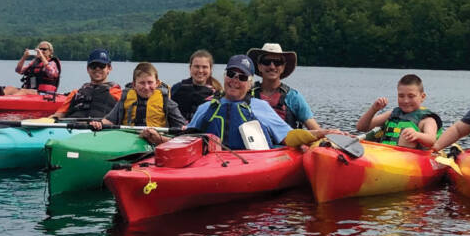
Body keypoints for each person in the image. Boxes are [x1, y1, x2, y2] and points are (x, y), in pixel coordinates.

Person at [144, 55, 338, 149]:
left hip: (250, 163)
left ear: (250, 82)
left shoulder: (260, 107)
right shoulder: (207, 107)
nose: (235, 80)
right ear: (224, 75)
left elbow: (289, 138)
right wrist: (157, 139)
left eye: (242, 77)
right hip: (211, 164)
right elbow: (184, 141)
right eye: (231, 74)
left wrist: (321, 133)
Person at [89, 62, 186, 144]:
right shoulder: (126, 99)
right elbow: (110, 120)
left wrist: (160, 139)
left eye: (150, 82)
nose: (146, 87)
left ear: (157, 83)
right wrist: (98, 124)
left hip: (156, 143)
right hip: (129, 142)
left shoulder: (166, 102)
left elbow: (183, 130)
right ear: (134, 84)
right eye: (142, 83)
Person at [246, 43, 321, 130]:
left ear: (283, 67)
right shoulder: (247, 93)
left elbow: (315, 129)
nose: (272, 66)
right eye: (266, 62)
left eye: (277, 63)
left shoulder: (293, 97)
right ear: (259, 66)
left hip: (287, 142)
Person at [355, 74, 442, 149]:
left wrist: (417, 135)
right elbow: (361, 127)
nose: (405, 101)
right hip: (383, 154)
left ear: (422, 97)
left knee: (407, 133)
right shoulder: (392, 114)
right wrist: (373, 109)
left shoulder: (427, 120)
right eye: (401, 96)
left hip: (408, 160)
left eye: (411, 96)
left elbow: (431, 140)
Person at [50, 48, 122, 120]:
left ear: (109, 68)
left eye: (101, 66)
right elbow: (58, 115)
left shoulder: (117, 93)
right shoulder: (75, 93)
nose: (97, 69)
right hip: (73, 127)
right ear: (88, 69)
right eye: (93, 66)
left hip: (103, 128)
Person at [171, 50, 222, 120]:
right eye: (197, 67)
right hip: (179, 129)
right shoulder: (177, 88)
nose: (200, 70)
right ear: (190, 68)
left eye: (204, 67)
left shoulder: (217, 93)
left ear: (210, 69)